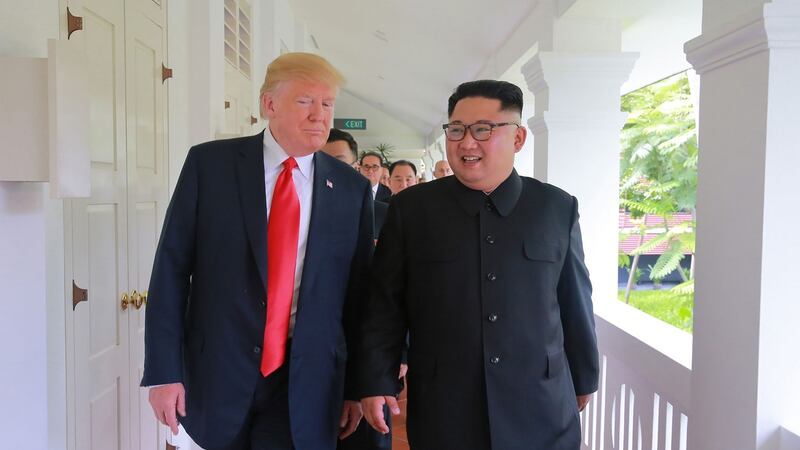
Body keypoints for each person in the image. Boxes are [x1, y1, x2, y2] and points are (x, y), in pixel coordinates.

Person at [142, 52, 373, 450]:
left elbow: (357, 294)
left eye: (327, 104)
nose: (320, 115)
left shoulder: (350, 190)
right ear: (269, 104)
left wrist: (357, 385)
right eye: (305, 101)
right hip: (217, 371)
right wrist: (164, 371)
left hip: (306, 382)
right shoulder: (210, 165)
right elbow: (171, 270)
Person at [358, 80, 598, 450]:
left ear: (518, 139)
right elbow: (384, 303)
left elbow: (574, 301)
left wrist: (584, 378)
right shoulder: (413, 210)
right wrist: (375, 379)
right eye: (457, 130)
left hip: (541, 403)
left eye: (483, 130)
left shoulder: (555, 207)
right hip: (446, 405)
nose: (467, 143)